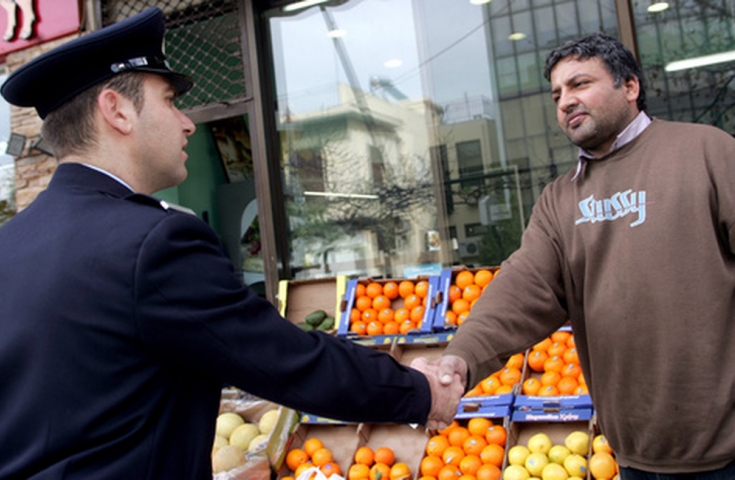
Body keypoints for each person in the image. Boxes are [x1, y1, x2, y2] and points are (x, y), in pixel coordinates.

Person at [0, 8, 462, 479]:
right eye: (170, 101)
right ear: (116, 110)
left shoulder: (9, 245)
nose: (187, 123)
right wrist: (420, 390)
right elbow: (284, 360)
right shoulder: (152, 242)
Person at [431, 32, 735, 478]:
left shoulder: (707, 151)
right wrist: (458, 362)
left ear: (629, 87)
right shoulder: (561, 199)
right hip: (632, 456)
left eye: (580, 84)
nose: (565, 101)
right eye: (557, 94)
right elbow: (521, 289)